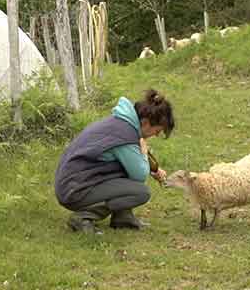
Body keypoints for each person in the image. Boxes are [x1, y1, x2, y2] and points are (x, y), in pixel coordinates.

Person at [54, 89, 174, 234]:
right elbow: (140, 175)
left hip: (74, 181)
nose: (155, 135)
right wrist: (143, 152)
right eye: (157, 131)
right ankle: (82, 217)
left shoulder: (122, 123)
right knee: (141, 192)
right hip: (74, 189)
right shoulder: (125, 134)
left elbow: (130, 162)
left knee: (126, 170)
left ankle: (123, 217)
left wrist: (151, 167)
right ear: (146, 122)